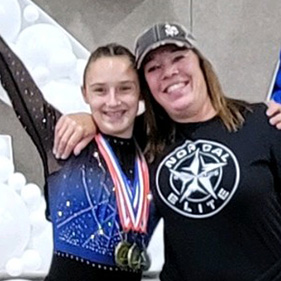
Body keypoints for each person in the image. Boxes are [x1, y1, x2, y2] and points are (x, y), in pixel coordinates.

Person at [53, 22, 281, 281]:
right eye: (154, 68)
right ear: (145, 87)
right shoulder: (145, 141)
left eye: (179, 57)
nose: (170, 72)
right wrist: (87, 120)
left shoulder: (263, 122)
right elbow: (112, 116)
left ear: (200, 64)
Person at [0, 37, 158, 281]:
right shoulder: (64, 140)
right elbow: (11, 73)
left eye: (125, 88)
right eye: (100, 90)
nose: (113, 101)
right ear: (85, 93)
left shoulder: (153, 150)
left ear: (140, 93)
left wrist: (93, 120)